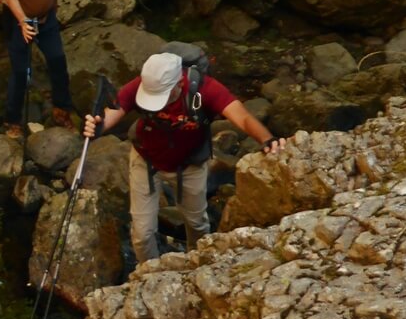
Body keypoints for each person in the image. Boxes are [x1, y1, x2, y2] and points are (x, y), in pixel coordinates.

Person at [83, 51, 287, 262]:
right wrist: (97, 126)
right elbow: (114, 112)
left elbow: (242, 117)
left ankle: (198, 266)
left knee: (197, 225)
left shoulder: (205, 90)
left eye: (162, 96)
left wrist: (267, 139)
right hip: (146, 159)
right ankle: (148, 276)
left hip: (190, 165)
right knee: (142, 234)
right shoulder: (142, 83)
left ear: (179, 83)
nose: (158, 103)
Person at [0, 0, 75, 137]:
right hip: (18, 18)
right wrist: (23, 22)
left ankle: (62, 110)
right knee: (21, 70)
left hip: (46, 17)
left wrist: (53, 9)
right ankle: (13, 121)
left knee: (58, 60)